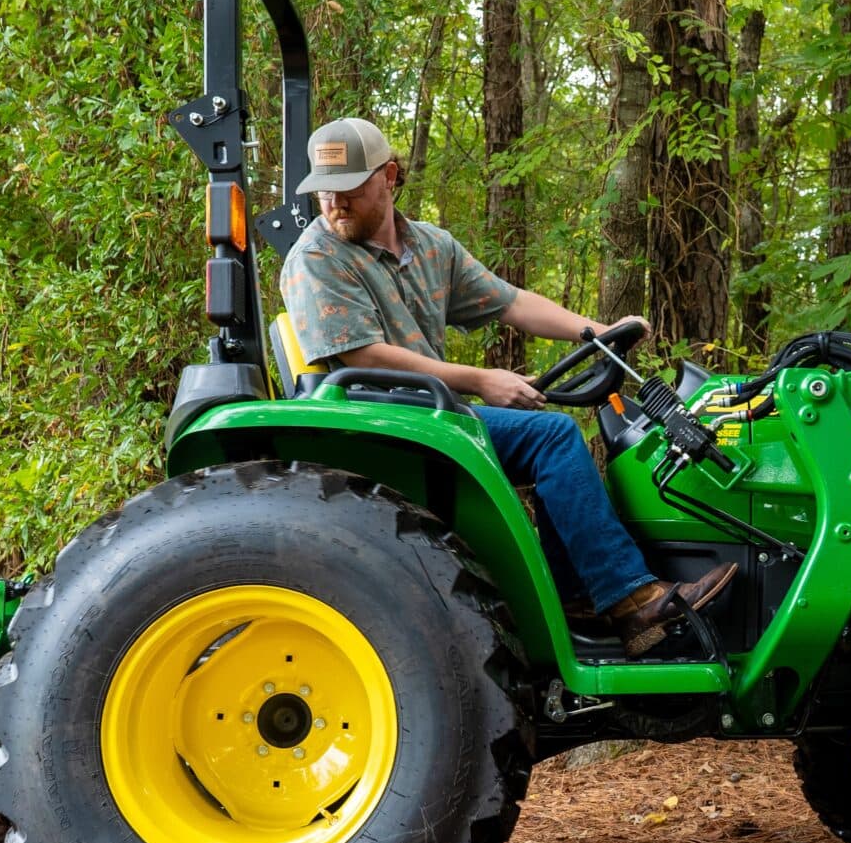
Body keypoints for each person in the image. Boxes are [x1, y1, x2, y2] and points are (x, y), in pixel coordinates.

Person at [278, 116, 734, 655]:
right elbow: (362, 353)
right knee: (553, 438)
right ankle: (632, 599)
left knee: (551, 441)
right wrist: (479, 380)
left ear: (390, 177)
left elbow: (511, 302)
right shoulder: (316, 257)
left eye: (349, 188)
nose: (334, 203)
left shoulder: (430, 247)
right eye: (325, 191)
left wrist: (594, 330)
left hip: (431, 412)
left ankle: (580, 597)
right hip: (381, 418)